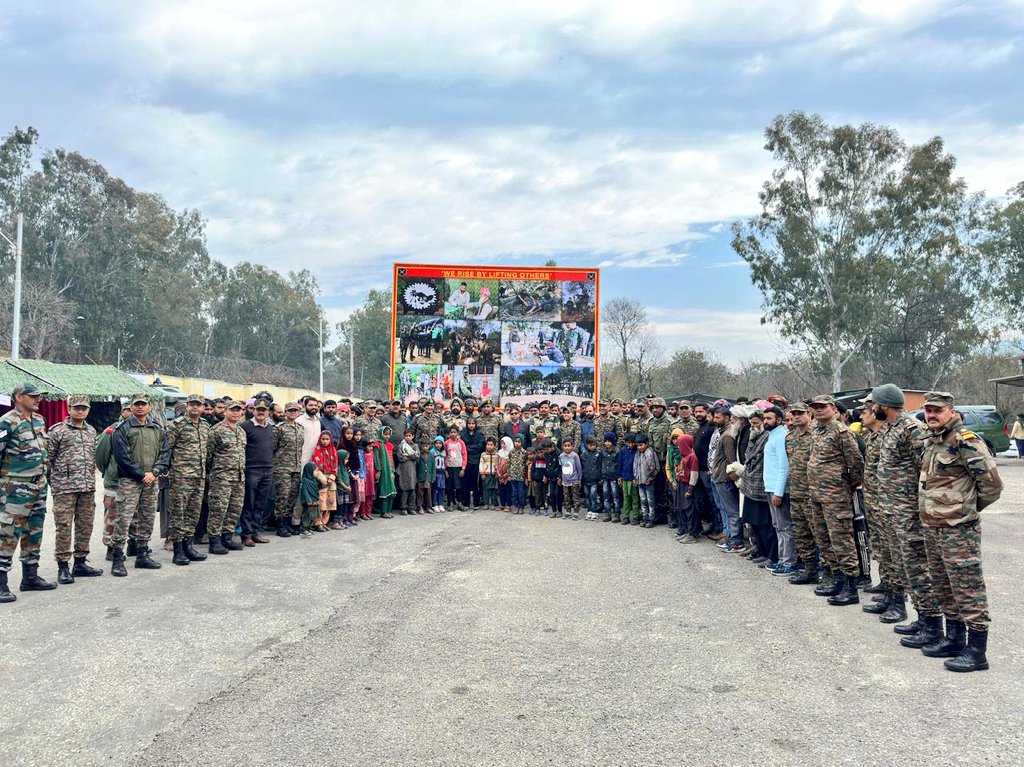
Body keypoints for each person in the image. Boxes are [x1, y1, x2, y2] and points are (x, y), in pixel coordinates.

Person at [918, 391, 1003, 672]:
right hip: (933, 527)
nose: (931, 415)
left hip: (958, 530)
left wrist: (966, 509)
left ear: (951, 412)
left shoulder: (966, 442)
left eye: (937, 411)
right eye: (928, 411)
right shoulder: (933, 442)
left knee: (968, 589)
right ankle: (954, 639)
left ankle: (977, 651)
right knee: (944, 586)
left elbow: (992, 485)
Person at [807, 394, 865, 607]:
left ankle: (851, 585)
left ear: (833, 408)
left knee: (841, 540)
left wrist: (846, 485)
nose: (818, 410)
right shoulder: (815, 430)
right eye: (815, 407)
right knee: (823, 539)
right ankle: (836, 578)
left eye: (823, 407)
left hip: (836, 496)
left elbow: (856, 463)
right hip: (817, 494)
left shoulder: (842, 432)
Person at [0, 382, 56, 600]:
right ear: (18, 397)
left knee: (34, 532)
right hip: (14, 488)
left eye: (39, 396)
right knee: (7, 534)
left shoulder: (39, 420)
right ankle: (1, 582)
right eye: (32, 396)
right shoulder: (7, 422)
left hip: (38, 485)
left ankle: (30, 577)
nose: (37, 399)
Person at [110, 393, 171, 576]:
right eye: (136, 405)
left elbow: (165, 452)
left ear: (149, 407)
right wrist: (140, 474)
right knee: (124, 519)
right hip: (130, 480)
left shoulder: (157, 429)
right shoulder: (123, 429)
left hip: (151, 480)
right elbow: (122, 457)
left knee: (147, 517)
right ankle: (117, 558)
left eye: (143, 404)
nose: (140, 407)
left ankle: (142, 554)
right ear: (132, 407)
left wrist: (155, 472)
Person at [46, 394, 102, 584]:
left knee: (85, 525)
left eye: (84, 408)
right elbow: (48, 459)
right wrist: (55, 483)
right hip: (64, 489)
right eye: (76, 407)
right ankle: (63, 566)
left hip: (87, 487)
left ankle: (80, 562)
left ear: (88, 410)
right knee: (64, 527)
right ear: (69, 409)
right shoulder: (58, 431)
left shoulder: (91, 431)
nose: (80, 411)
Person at [166, 393, 211, 566]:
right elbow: (167, 449)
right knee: (179, 513)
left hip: (198, 476)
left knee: (193, 513)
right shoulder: (176, 425)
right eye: (192, 404)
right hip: (181, 477)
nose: (195, 407)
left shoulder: (205, 426)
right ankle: (178, 550)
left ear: (202, 407)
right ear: (186, 406)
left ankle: (189, 546)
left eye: (198, 405)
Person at [784, 402, 820, 583]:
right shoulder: (790, 438)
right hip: (796, 493)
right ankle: (809, 569)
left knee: (819, 534)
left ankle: (826, 571)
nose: (797, 417)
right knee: (801, 533)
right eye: (794, 413)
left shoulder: (816, 435)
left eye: (800, 413)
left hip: (813, 494)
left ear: (809, 413)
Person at [205, 400, 247, 554]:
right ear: (225, 411)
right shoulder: (216, 430)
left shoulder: (241, 431)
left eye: (238, 410)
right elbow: (208, 455)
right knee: (218, 509)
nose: (236, 413)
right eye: (232, 410)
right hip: (221, 477)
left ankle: (227, 537)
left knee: (234, 509)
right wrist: (213, 473)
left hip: (239, 477)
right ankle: (214, 540)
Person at [762, 407, 796, 576]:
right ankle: (783, 559)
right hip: (771, 488)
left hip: (779, 489)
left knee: (785, 527)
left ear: (779, 420)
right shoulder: (772, 436)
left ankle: (788, 562)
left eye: (769, 418)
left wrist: (779, 492)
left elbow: (784, 467)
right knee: (778, 526)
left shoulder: (781, 437)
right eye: (765, 418)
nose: (765, 421)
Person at [98, 402, 131, 560]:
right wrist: (109, 471)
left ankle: (133, 545)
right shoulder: (111, 431)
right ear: (122, 412)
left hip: (134, 480)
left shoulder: (143, 428)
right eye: (127, 410)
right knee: (112, 515)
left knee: (134, 515)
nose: (130, 412)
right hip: (115, 480)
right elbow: (101, 455)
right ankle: (111, 549)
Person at [239, 398, 273, 546]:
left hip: (268, 470)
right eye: (258, 409)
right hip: (252, 470)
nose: (261, 412)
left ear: (268, 412)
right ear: (253, 410)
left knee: (261, 504)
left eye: (264, 410)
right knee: (249, 503)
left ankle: (256, 532)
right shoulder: (245, 427)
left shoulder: (271, 428)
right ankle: (246, 535)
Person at [273, 402, 305, 537]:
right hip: (282, 468)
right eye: (290, 410)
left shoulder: (301, 428)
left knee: (292, 497)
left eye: (295, 410)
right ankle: (280, 525)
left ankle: (287, 523)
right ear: (285, 412)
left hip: (296, 467)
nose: (293, 413)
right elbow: (273, 447)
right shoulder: (279, 428)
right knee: (283, 497)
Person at [670, 433, 700, 542]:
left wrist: (690, 489)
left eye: (680, 445)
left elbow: (694, 474)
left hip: (688, 486)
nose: (678, 447)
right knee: (682, 508)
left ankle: (693, 534)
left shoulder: (692, 457)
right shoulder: (684, 455)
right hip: (681, 484)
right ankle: (687, 531)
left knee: (690, 510)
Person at [311, 431, 338, 530]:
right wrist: (323, 479)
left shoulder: (333, 450)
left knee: (330, 501)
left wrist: (331, 477)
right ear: (320, 439)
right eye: (323, 439)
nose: (325, 441)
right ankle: (318, 523)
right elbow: (315, 467)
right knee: (321, 502)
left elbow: (335, 465)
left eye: (327, 439)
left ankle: (325, 522)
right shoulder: (316, 450)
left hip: (331, 479)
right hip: (321, 479)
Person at [633, 434, 659, 528]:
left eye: (641, 445)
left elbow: (656, 468)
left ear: (646, 444)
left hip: (648, 482)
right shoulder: (637, 454)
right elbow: (635, 466)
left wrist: (650, 478)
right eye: (638, 445)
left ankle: (651, 519)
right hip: (640, 481)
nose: (640, 447)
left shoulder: (651, 453)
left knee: (650, 500)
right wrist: (635, 478)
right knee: (643, 500)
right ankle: (645, 518)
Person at [461, 419, 485, 509]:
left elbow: (480, 446)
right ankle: (466, 503)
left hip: (476, 460)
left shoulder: (479, 434)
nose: (471, 425)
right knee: (466, 483)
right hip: (466, 461)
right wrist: (470, 448)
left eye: (473, 423)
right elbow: (463, 447)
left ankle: (476, 502)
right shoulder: (463, 434)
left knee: (476, 483)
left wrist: (469, 447)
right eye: (469, 423)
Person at [557, 438, 583, 520]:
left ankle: (576, 512)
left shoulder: (575, 456)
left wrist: (579, 479)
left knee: (575, 497)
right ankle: (568, 511)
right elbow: (560, 468)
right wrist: (560, 478)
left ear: (572, 446)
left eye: (569, 446)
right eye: (565, 446)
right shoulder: (561, 456)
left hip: (574, 480)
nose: (567, 448)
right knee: (566, 497)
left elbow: (579, 468)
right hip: (565, 480)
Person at [618, 432, 640, 525]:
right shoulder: (623, 451)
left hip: (633, 478)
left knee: (635, 498)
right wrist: (619, 476)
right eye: (628, 443)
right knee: (626, 498)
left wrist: (636, 477)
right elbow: (620, 464)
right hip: (624, 478)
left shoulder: (637, 451)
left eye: (632, 443)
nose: (631, 445)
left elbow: (638, 465)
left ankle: (635, 516)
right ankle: (626, 516)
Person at [599, 432, 621, 522]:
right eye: (606, 441)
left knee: (616, 496)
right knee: (606, 496)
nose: (607, 443)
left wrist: (619, 476)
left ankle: (617, 514)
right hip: (605, 477)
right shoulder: (602, 451)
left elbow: (619, 464)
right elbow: (600, 463)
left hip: (614, 477)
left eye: (609, 441)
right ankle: (607, 513)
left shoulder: (617, 451)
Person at [396, 430, 419, 514]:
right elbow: (400, 457)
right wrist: (411, 456)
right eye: (406, 436)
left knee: (412, 489)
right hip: (404, 470)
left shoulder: (415, 446)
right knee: (404, 489)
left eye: (410, 435)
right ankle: (403, 508)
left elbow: (417, 456)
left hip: (412, 470)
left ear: (413, 436)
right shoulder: (401, 446)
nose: (408, 437)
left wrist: (408, 455)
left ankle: (412, 507)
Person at [579, 435, 602, 520]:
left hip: (594, 480)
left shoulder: (598, 454)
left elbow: (599, 466)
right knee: (587, 496)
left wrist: (599, 477)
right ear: (587, 445)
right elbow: (581, 466)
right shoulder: (584, 454)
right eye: (590, 445)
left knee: (593, 495)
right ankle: (589, 510)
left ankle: (594, 511)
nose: (592, 447)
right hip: (586, 479)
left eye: (594, 445)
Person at [298, 462, 320, 537]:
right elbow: (305, 491)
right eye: (316, 471)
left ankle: (309, 527)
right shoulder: (305, 481)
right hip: (309, 502)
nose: (317, 473)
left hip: (314, 501)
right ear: (310, 471)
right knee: (307, 515)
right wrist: (308, 500)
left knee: (313, 515)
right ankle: (304, 528)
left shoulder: (314, 480)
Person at [507, 435, 527, 514]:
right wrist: (509, 474)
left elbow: (526, 465)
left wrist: (525, 477)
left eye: (519, 442)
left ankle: (521, 506)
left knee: (521, 492)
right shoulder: (511, 452)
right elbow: (508, 464)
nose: (517, 444)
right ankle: (516, 506)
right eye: (516, 442)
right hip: (513, 476)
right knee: (514, 492)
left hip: (521, 476)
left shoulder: (524, 452)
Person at [530, 440, 550, 515]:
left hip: (544, 480)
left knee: (545, 494)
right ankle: (537, 508)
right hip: (537, 480)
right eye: (538, 453)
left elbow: (548, 469)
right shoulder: (535, 460)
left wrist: (547, 477)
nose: (540, 454)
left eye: (542, 452)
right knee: (537, 494)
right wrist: (533, 479)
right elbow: (532, 470)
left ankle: (545, 508)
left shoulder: (546, 459)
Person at [478, 438, 498, 510]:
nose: (489, 446)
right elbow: (481, 464)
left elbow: (497, 464)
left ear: (494, 446)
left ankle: (493, 503)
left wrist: (497, 472)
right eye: (488, 444)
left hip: (493, 474)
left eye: (491, 445)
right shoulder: (483, 455)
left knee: (493, 489)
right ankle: (486, 503)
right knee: (485, 489)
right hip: (486, 474)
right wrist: (482, 473)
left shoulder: (497, 455)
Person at [416, 441, 435, 513]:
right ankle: (419, 507)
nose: (425, 448)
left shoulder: (431, 455)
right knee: (420, 492)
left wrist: (433, 477)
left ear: (429, 446)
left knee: (428, 492)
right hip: (420, 477)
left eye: (426, 446)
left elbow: (433, 467)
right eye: (423, 446)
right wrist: (416, 477)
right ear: (421, 447)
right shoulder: (419, 456)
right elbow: (416, 467)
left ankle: (429, 507)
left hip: (428, 477)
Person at [430, 436, 447, 512]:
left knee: (442, 489)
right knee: (435, 489)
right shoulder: (432, 452)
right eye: (436, 443)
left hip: (442, 472)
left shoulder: (443, 452)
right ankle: (435, 504)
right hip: (435, 472)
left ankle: (441, 504)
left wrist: (445, 471)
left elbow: (444, 462)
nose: (438, 445)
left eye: (440, 443)